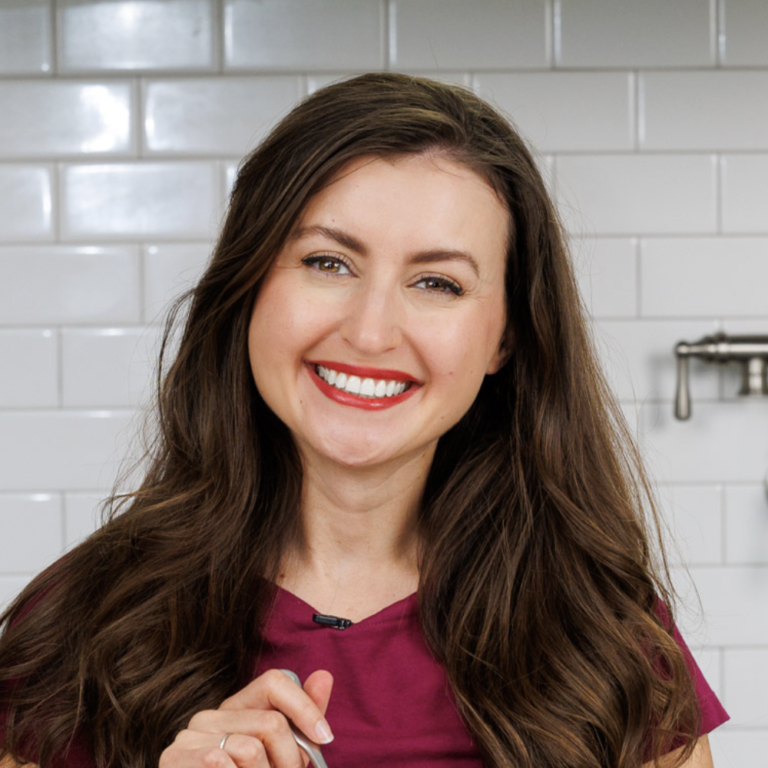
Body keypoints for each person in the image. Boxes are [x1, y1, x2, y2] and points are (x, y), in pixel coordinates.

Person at [0, 73, 727, 768]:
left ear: (506, 336)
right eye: (328, 263)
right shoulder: (78, 622)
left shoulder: (601, 634)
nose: (372, 331)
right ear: (249, 284)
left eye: (437, 282)